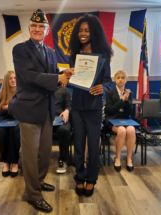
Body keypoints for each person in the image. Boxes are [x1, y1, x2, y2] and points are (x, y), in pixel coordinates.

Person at [8, 9, 74, 213]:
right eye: (34, 26)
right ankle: (33, 194)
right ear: (29, 29)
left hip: (47, 110)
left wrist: (64, 73)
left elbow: (50, 74)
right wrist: (57, 79)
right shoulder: (20, 49)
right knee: (29, 155)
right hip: (28, 110)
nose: (37, 29)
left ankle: (39, 181)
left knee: (45, 153)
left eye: (41, 27)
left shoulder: (51, 52)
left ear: (46, 30)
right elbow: (29, 76)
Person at [68, 13, 112, 197]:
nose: (83, 33)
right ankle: (79, 177)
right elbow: (71, 81)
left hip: (94, 109)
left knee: (94, 147)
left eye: (86, 30)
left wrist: (103, 87)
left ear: (94, 32)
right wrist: (67, 75)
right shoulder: (74, 55)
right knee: (78, 145)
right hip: (77, 108)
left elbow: (108, 82)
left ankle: (91, 179)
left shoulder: (103, 56)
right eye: (80, 31)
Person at [105, 70, 135, 172]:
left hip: (125, 119)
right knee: (121, 131)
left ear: (126, 80)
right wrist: (121, 100)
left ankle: (129, 158)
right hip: (112, 119)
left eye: (123, 78)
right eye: (118, 78)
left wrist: (127, 101)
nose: (120, 80)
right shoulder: (110, 92)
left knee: (131, 130)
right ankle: (117, 158)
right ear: (115, 80)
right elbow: (109, 110)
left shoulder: (129, 93)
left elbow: (130, 112)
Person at [0, 70, 20, 178]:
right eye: (10, 78)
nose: (13, 80)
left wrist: (10, 107)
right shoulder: (2, 93)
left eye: (15, 78)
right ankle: (6, 162)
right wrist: (4, 109)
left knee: (14, 131)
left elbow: (22, 110)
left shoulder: (20, 92)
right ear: (6, 80)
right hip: (5, 118)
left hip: (18, 119)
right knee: (2, 131)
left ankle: (14, 163)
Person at [54, 86, 71, 173]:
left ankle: (63, 160)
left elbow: (69, 105)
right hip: (45, 118)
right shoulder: (43, 88)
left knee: (64, 130)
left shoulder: (64, 90)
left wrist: (67, 110)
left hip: (60, 118)